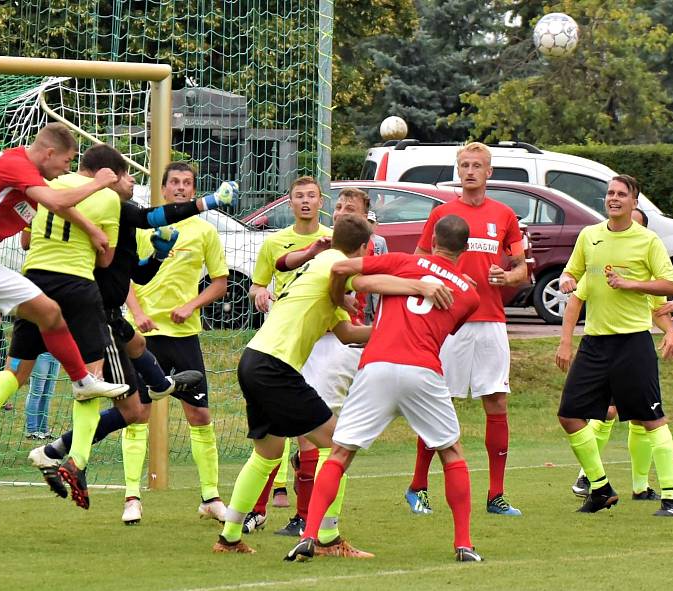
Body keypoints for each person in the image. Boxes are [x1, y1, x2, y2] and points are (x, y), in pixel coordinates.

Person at [212, 214, 453, 555]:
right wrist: (421, 286)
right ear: (362, 248)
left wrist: (396, 333)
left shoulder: (323, 273)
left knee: (268, 453)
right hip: (274, 366)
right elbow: (372, 284)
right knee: (338, 445)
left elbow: (348, 334)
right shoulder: (335, 262)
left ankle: (229, 537)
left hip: (255, 359)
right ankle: (328, 537)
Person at [27, 158, 235, 516]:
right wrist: (211, 202)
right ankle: (84, 465)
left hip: (140, 326)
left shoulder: (191, 231)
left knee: (135, 401)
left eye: (189, 182)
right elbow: (149, 219)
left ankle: (62, 451)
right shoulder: (115, 209)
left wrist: (157, 255)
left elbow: (134, 273)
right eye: (127, 176)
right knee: (110, 396)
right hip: (101, 317)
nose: (131, 181)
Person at [0, 124, 128, 476]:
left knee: (50, 313)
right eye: (65, 162)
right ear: (48, 153)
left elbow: (58, 207)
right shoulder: (17, 165)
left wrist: (92, 229)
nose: (67, 169)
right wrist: (99, 182)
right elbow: (55, 201)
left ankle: (82, 381)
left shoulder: (32, 176)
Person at [286, 215, 483, 562]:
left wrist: (343, 299)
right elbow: (445, 319)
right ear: (464, 249)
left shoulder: (404, 261)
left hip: (376, 364)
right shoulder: (470, 295)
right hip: (422, 370)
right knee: (451, 453)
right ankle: (464, 545)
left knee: (341, 454)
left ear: (432, 238)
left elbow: (342, 269)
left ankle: (310, 534)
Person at [405, 142, 527, 517]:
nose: (470, 171)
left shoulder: (504, 215)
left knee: (497, 401)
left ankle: (496, 495)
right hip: (450, 323)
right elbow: (420, 260)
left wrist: (506, 275)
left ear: (489, 172)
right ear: (458, 171)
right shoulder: (442, 214)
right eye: (464, 165)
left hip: (491, 321)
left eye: (477, 165)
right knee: (440, 403)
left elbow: (522, 270)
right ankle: (418, 487)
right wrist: (441, 280)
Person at [555, 174, 673, 517]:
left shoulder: (648, 240)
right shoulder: (589, 236)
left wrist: (631, 283)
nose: (613, 198)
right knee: (569, 415)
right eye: (610, 193)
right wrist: (567, 280)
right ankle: (600, 488)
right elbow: (572, 274)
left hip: (632, 343)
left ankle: (670, 499)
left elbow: (670, 284)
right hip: (595, 344)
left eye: (621, 194)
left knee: (650, 419)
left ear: (634, 202)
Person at [125, 162, 233, 522]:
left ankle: (210, 497)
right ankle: (131, 498)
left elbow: (220, 282)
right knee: (137, 413)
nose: (182, 189)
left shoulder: (205, 232)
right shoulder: (144, 225)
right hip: (144, 336)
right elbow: (123, 276)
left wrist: (191, 305)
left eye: (188, 183)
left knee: (199, 415)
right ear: (163, 188)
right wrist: (138, 314)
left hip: (185, 337)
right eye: (175, 183)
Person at [243, 176, 333, 535]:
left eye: (312, 196)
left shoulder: (330, 241)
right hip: (280, 344)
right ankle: (258, 511)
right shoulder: (275, 243)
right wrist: (260, 295)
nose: (306, 202)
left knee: (309, 432)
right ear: (290, 203)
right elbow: (257, 284)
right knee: (271, 431)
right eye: (299, 197)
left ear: (321, 202)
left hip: (320, 343)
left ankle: (303, 515)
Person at [24, 352, 61, 438]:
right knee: (36, 392)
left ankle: (43, 430)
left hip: (56, 354)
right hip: (41, 353)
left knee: (48, 394)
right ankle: (31, 431)